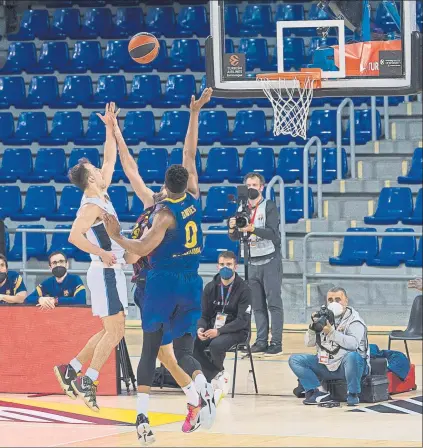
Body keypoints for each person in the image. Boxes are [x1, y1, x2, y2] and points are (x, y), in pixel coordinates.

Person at [102, 89, 217, 445]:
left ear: (165, 186)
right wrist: (194, 112)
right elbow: (188, 152)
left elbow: (138, 250)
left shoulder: (160, 212)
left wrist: (116, 237)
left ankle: (142, 418)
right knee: (176, 354)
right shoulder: (194, 196)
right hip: (190, 281)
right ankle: (198, 395)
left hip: (158, 283)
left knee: (152, 349)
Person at [53, 103, 129, 413]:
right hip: (105, 270)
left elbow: (110, 157)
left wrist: (110, 127)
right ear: (90, 180)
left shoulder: (102, 191)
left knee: (112, 330)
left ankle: (71, 369)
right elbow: (73, 237)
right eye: (95, 170)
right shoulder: (91, 206)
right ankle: (90, 380)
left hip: (110, 270)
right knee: (115, 331)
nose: (101, 169)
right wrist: (103, 253)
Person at [228, 172, 283, 356]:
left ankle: (276, 342)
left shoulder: (269, 206)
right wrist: (231, 227)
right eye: (248, 185)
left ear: (261, 187)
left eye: (254, 185)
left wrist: (253, 228)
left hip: (270, 260)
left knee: (273, 303)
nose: (251, 187)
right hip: (250, 260)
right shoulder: (241, 208)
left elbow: (274, 234)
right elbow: (236, 236)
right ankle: (260, 341)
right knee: (257, 305)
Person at [288, 287, 370, 406]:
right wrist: (312, 328)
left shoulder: (355, 321)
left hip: (349, 367)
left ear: (346, 301)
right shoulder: (324, 318)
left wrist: (331, 332)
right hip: (326, 364)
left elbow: (353, 344)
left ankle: (353, 394)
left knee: (353, 356)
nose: (334, 303)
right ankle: (316, 392)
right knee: (295, 360)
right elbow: (308, 343)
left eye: (338, 299)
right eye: (330, 300)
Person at [194, 251, 252, 396]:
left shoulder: (245, 289)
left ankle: (215, 378)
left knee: (216, 345)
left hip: (237, 331)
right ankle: (217, 374)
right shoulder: (210, 287)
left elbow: (242, 320)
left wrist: (219, 332)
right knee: (191, 343)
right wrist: (200, 328)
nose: (225, 267)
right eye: (222, 264)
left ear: (235, 266)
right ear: (217, 266)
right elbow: (204, 315)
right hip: (213, 329)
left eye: (229, 264)